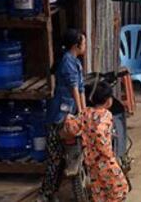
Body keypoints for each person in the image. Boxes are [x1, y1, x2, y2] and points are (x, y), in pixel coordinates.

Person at [39, 29, 87, 201]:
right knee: (55, 157)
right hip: (59, 114)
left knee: (59, 156)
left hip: (69, 112)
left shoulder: (75, 62)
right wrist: (81, 113)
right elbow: (74, 88)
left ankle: (52, 191)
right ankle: (46, 193)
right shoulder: (68, 61)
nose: (85, 45)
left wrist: (83, 112)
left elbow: (81, 89)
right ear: (76, 45)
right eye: (84, 42)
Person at [63, 81, 129, 202]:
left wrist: (68, 118)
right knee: (119, 190)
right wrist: (107, 153)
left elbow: (72, 128)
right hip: (105, 161)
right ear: (108, 100)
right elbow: (100, 132)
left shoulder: (85, 112)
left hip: (91, 163)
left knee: (99, 193)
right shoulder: (106, 115)